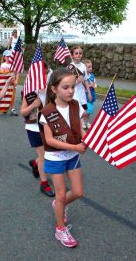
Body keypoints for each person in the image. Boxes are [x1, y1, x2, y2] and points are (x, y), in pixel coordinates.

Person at [39, 67, 87, 248]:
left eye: (73, 87)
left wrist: (87, 138)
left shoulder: (75, 105)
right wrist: (75, 146)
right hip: (56, 158)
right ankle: (60, 229)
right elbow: (50, 140)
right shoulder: (47, 112)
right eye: (65, 87)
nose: (71, 91)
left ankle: (59, 205)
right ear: (54, 89)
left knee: (78, 192)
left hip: (73, 156)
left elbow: (80, 128)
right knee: (60, 195)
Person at [20, 64, 55, 197]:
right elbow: (23, 112)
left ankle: (35, 163)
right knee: (44, 156)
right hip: (33, 128)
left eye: (46, 74)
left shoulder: (51, 90)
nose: (45, 77)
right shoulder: (30, 92)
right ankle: (44, 183)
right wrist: (33, 105)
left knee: (46, 155)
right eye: (42, 74)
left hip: (48, 126)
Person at [69, 46, 91, 128]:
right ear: (72, 55)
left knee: (84, 111)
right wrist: (76, 81)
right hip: (73, 92)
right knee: (75, 111)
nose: (78, 55)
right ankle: (76, 126)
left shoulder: (83, 66)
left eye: (80, 53)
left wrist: (88, 92)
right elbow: (67, 82)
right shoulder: (70, 67)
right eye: (76, 53)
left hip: (82, 92)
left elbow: (85, 80)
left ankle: (80, 124)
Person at [0, 49, 19, 116]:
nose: (9, 58)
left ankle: (12, 109)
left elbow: (17, 73)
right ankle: (5, 107)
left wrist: (16, 81)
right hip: (6, 84)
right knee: (5, 96)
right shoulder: (3, 65)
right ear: (4, 57)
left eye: (10, 56)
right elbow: (2, 74)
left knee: (12, 97)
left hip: (13, 84)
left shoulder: (14, 65)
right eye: (7, 56)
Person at [83, 59, 97, 128]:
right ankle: (82, 121)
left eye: (91, 67)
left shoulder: (92, 75)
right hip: (86, 96)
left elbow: (95, 84)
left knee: (90, 110)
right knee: (86, 110)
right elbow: (83, 86)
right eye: (88, 67)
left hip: (92, 94)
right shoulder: (84, 77)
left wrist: (94, 86)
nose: (90, 68)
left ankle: (87, 122)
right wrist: (90, 85)